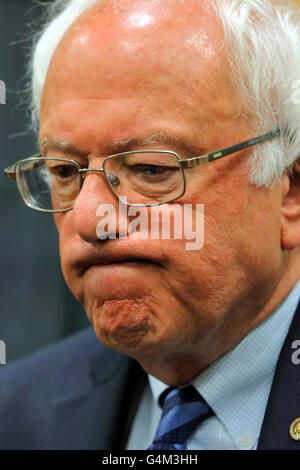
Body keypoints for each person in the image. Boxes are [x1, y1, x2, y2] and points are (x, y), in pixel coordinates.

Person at [1, 0, 300, 450]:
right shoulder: (17, 412)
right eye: (65, 172)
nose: (87, 219)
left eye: (150, 169)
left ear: (290, 190)